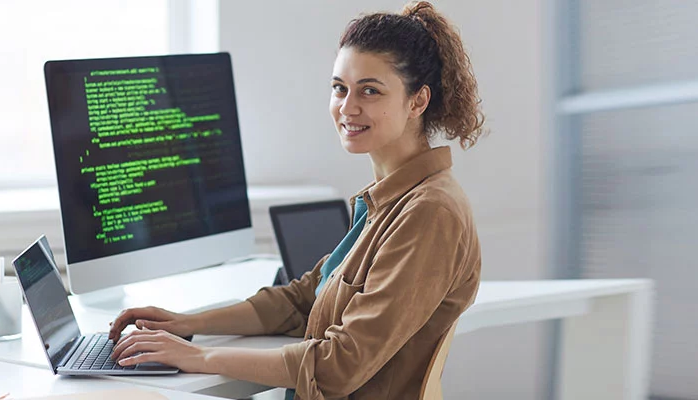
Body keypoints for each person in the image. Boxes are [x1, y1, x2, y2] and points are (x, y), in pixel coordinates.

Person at [106, 2, 486, 399]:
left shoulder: (429, 212)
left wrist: (199, 356)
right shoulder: (389, 199)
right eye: (340, 88)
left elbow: (339, 366)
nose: (347, 107)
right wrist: (185, 323)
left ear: (417, 101)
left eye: (370, 91)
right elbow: (302, 299)